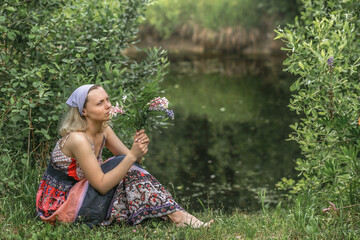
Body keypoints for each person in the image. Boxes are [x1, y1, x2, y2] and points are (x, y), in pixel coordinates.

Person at [36, 84, 213, 228]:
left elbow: (134, 165)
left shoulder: (104, 130)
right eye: (99, 103)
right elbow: (103, 185)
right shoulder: (78, 139)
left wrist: (139, 150)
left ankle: (176, 215)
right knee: (121, 162)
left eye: (107, 100)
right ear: (84, 111)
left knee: (123, 164)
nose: (108, 105)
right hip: (60, 206)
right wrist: (132, 156)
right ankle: (177, 216)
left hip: (83, 193)